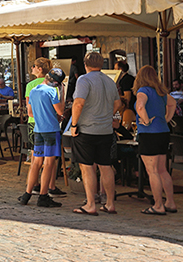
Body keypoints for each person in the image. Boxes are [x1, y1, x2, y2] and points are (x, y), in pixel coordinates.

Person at [71, 52, 121, 216]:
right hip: (105, 130)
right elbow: (118, 103)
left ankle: (91, 204)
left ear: (85, 64)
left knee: (87, 168)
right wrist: (106, 115)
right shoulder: (109, 81)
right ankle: (110, 203)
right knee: (106, 166)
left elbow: (78, 103)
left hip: (87, 129)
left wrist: (73, 124)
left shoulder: (84, 80)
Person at [133, 65, 178, 215]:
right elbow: (172, 104)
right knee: (162, 170)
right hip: (163, 132)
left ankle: (158, 205)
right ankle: (170, 202)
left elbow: (140, 107)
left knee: (152, 171)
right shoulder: (161, 92)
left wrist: (145, 120)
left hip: (149, 133)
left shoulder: (143, 91)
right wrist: (167, 118)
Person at [18, 68, 65, 208]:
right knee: (49, 164)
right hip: (51, 130)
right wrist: (61, 94)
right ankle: (43, 196)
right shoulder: (52, 91)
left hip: (38, 130)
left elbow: (30, 113)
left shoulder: (34, 90)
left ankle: (27, 194)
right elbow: (60, 111)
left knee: (36, 163)